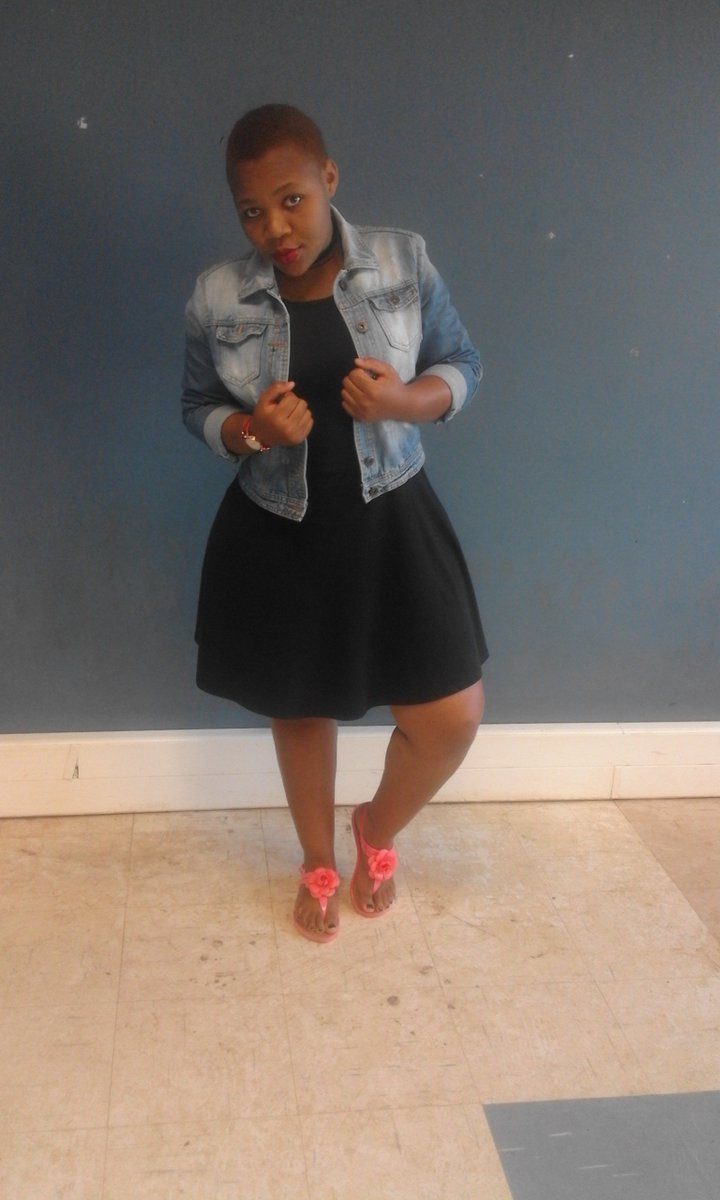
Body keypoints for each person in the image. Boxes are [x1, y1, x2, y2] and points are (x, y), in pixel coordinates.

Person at [182, 104, 488, 943]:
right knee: (300, 708)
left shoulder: (401, 258)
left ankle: (375, 830)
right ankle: (318, 861)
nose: (276, 229)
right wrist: (253, 432)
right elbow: (199, 407)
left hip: (393, 515)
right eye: (252, 211)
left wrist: (405, 402)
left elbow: (462, 364)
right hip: (278, 529)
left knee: (450, 716)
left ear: (328, 179)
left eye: (292, 201)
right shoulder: (217, 295)